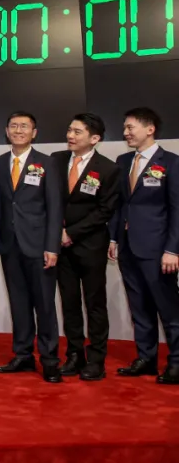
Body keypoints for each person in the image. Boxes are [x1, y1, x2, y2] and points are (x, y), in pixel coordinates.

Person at [0, 111, 63, 383]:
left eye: (24, 126)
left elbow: (55, 206)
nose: (18, 130)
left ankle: (50, 359)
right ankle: (22, 354)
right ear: (6, 131)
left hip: (39, 245)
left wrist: (52, 246)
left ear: (34, 132)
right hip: (9, 245)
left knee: (44, 305)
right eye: (13, 126)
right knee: (18, 303)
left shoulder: (46, 162)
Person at [50, 113, 120, 381]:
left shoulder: (108, 168)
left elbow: (105, 210)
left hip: (90, 245)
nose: (70, 135)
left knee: (95, 303)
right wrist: (57, 232)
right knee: (69, 303)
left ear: (94, 138)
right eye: (69, 130)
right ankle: (74, 354)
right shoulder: (56, 160)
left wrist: (71, 233)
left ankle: (97, 359)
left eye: (77, 132)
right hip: (60, 246)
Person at [113, 107, 179, 385]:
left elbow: (177, 209)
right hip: (128, 246)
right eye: (125, 128)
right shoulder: (123, 160)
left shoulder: (171, 162)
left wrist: (173, 250)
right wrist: (114, 238)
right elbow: (120, 204)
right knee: (139, 306)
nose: (126, 133)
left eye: (130, 127)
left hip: (158, 249)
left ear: (150, 129)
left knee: (169, 308)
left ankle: (176, 362)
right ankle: (146, 358)